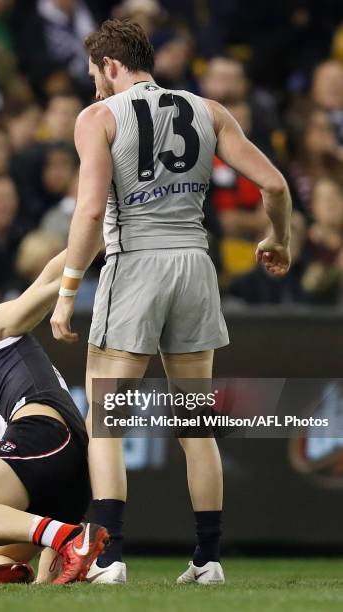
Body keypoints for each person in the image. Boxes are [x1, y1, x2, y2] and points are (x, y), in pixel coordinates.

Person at [50, 19, 292, 585]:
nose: (93, 88)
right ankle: (208, 559)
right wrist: (279, 238)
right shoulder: (209, 110)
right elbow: (275, 184)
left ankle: (108, 559)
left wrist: (66, 293)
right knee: (196, 425)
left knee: (107, 424)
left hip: (135, 262)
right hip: (195, 265)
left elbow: (88, 213)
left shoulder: (98, 117)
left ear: (111, 65)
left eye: (94, 75)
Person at [0, 249, 108, 584]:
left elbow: (50, 279)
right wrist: (53, 572)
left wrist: (95, 231)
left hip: (47, 438)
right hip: (66, 474)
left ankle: (69, 538)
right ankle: (68, 542)